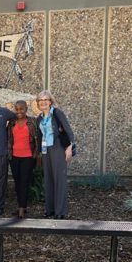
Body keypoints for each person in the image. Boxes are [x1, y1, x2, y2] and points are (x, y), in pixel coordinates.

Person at [37, 90, 74, 219]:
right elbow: (40, 135)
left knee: (59, 180)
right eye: (40, 100)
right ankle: (50, 209)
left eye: (45, 100)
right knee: (48, 180)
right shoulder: (40, 118)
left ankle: (60, 211)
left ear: (50, 101)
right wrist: (39, 153)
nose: (43, 102)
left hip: (58, 148)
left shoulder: (57, 114)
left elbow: (69, 131)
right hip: (46, 150)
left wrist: (69, 149)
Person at [7, 100, 39, 218]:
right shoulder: (11, 122)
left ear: (26, 109)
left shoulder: (32, 122)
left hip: (28, 157)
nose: (19, 111)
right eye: (17, 109)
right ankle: (22, 206)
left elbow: (37, 140)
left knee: (24, 182)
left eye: (21, 109)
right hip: (14, 157)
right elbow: (9, 139)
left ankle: (21, 209)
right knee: (17, 182)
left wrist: (36, 155)